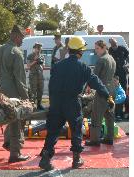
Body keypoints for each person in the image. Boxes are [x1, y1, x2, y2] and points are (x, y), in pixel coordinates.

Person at [38, 36, 114, 170]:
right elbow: (96, 83)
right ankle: (76, 159)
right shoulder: (82, 67)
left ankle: (45, 158)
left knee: (53, 131)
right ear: (80, 51)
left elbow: (51, 85)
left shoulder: (58, 65)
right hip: (72, 102)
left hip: (56, 102)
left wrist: (53, 102)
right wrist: (108, 96)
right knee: (76, 129)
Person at [0, 25, 30, 163]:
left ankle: (8, 142)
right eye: (22, 37)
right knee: (17, 120)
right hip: (13, 92)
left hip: (0, 90)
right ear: (16, 36)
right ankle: (15, 153)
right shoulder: (16, 52)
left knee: (7, 117)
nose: (23, 40)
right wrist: (26, 98)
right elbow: (20, 79)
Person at [85, 40, 116, 146]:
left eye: (97, 48)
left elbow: (94, 77)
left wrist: (88, 86)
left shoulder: (101, 60)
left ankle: (95, 140)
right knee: (109, 115)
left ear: (103, 48)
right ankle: (109, 138)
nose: (96, 51)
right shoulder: (112, 59)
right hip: (112, 88)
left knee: (96, 115)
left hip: (102, 89)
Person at [26, 42, 45, 110]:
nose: (39, 49)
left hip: (40, 75)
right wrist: (35, 60)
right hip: (33, 76)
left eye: (40, 48)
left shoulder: (42, 56)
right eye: (38, 48)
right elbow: (28, 66)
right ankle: (32, 106)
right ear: (34, 48)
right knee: (33, 91)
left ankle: (39, 104)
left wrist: (40, 63)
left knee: (40, 91)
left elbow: (43, 66)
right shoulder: (30, 56)